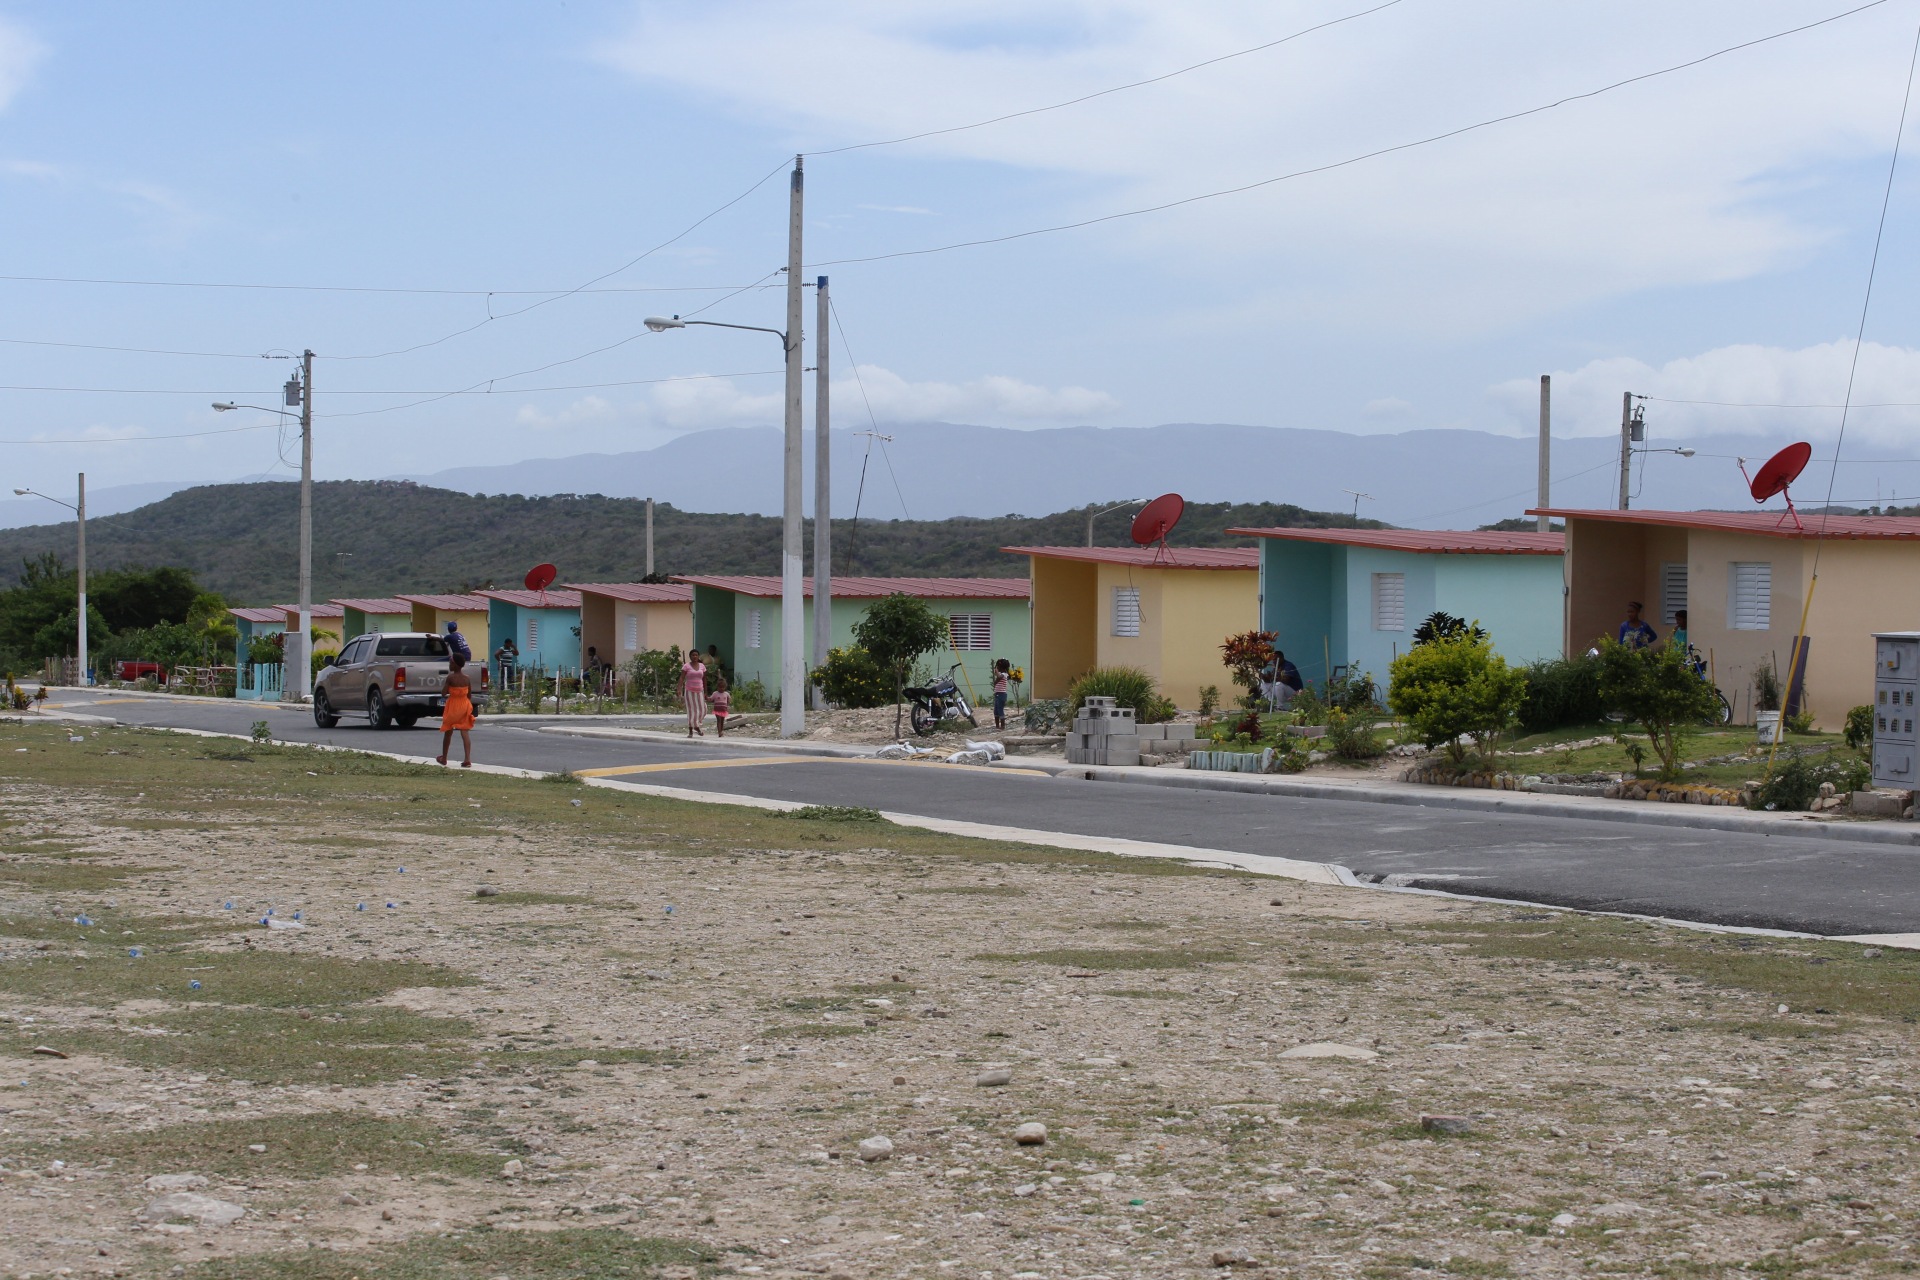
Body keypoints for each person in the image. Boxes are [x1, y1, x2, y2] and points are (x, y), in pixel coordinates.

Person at [437, 653, 475, 768]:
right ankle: (467, 759)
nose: (449, 665)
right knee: (464, 731)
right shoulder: (467, 678)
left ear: (455, 664)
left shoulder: (450, 678)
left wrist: (449, 691)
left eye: (450, 663)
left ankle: (444, 757)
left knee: (448, 731)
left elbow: (443, 693)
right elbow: (469, 695)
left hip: (453, 706)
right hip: (464, 705)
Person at [682, 648, 707, 737]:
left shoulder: (702, 666)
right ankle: (690, 731)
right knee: (691, 711)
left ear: (698, 656)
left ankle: (696, 725)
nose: (695, 656)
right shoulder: (686, 666)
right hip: (689, 690)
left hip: (700, 690)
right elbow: (681, 678)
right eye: (693, 655)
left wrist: (706, 692)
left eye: (696, 655)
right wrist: (678, 689)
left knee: (703, 709)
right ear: (690, 656)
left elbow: (705, 679)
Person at [991, 657, 1012, 730]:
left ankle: (1002, 726)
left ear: (1001, 667)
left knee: (1000, 710)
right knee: (996, 711)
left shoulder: (1004, 674)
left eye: (998, 666)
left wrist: (996, 671)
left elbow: (999, 676)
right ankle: (997, 726)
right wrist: (996, 672)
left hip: (1001, 695)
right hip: (998, 695)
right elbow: (996, 681)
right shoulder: (1001, 674)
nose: (997, 668)